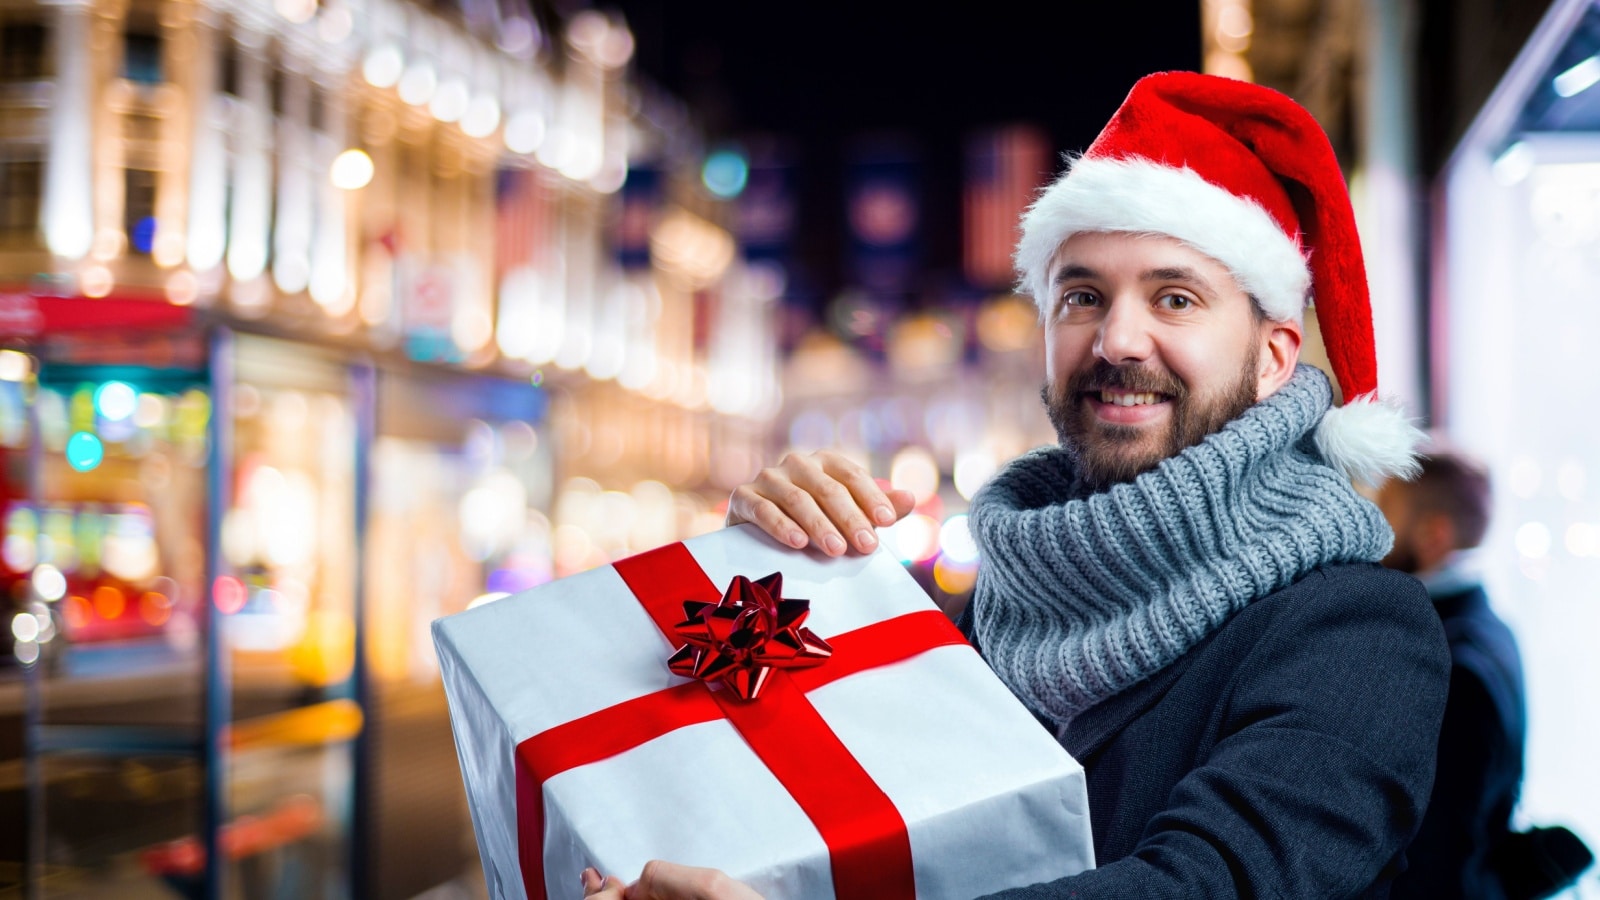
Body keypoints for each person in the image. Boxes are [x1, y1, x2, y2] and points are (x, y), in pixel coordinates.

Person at [585, 71, 1451, 899]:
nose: (1117, 340)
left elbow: (1209, 884)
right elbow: (787, 805)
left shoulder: (1359, 630)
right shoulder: (975, 614)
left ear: (1272, 358)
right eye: (1081, 296)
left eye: (1176, 299)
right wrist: (760, 577)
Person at [1382, 453, 1593, 899]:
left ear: (1434, 534)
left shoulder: (1454, 669)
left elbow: (1436, 854)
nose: (1374, 533)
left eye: (1386, 511)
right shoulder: (1491, 627)